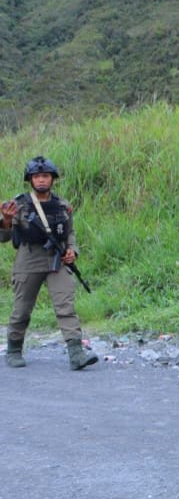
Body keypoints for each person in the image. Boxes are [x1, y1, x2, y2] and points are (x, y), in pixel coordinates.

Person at [0, 156, 97, 370]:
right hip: (28, 259)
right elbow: (3, 238)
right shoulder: (18, 205)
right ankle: (14, 350)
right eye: (37, 176)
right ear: (30, 180)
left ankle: (76, 353)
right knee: (22, 309)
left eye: (45, 176)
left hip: (57, 260)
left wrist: (72, 251)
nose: (41, 180)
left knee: (66, 306)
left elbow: (70, 233)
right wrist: (6, 221)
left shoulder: (62, 205)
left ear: (52, 179)